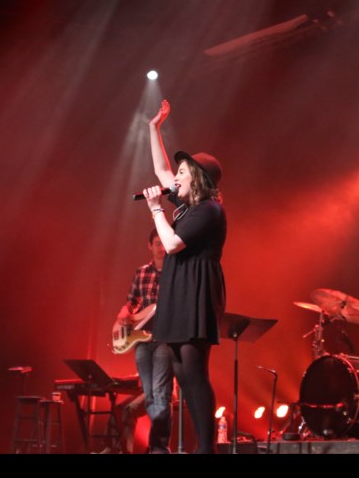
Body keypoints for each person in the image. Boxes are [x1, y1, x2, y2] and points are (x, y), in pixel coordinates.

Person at [141, 99, 226, 454]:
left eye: (183, 173)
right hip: (179, 289)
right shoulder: (189, 206)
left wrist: (156, 209)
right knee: (179, 368)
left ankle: (207, 448)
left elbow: (172, 244)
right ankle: (200, 445)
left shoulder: (209, 210)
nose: (174, 178)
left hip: (196, 290)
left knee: (193, 370)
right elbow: (162, 171)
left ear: (199, 179)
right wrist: (153, 128)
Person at [113, 229, 174, 453]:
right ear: (149, 246)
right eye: (157, 243)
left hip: (165, 337)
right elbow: (131, 302)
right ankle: (157, 446)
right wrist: (122, 316)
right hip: (141, 339)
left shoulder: (176, 271)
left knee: (161, 393)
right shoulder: (142, 272)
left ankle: (159, 447)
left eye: (163, 243)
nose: (161, 248)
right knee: (149, 395)